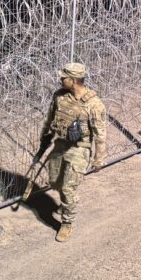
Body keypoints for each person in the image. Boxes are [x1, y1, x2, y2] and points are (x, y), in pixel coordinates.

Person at [38, 62, 106, 242]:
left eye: (64, 77)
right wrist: (45, 138)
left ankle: (66, 223)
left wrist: (98, 158)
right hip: (60, 145)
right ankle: (67, 202)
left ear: (74, 80)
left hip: (79, 150)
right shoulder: (59, 96)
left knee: (69, 188)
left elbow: (100, 134)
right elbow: (50, 118)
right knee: (55, 181)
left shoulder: (93, 104)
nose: (61, 79)